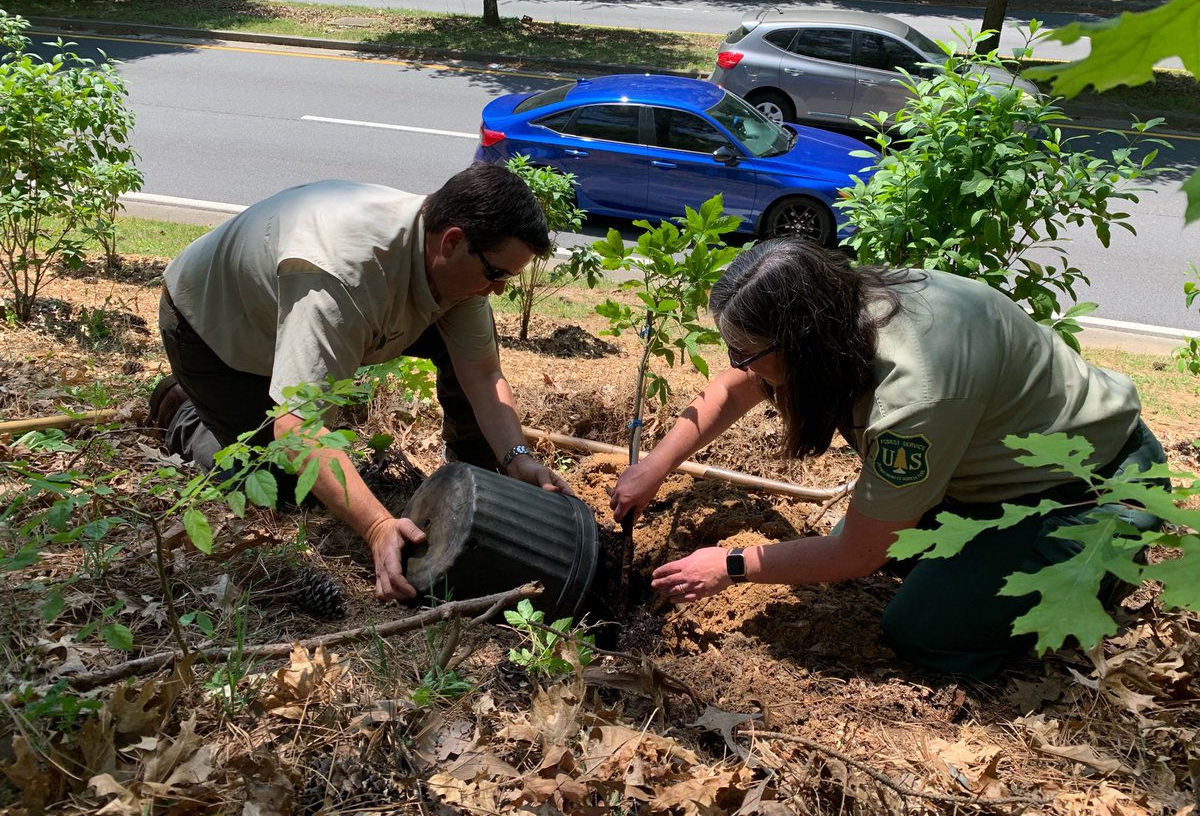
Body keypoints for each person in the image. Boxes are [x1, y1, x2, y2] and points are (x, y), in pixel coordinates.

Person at [609, 237, 1164, 678]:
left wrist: (730, 565)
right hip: (990, 470)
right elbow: (734, 389)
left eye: (746, 351)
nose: (737, 364)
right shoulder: (843, 303)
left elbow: (858, 555)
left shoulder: (914, 393)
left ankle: (1099, 572)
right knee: (868, 544)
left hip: (1089, 491)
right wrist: (653, 467)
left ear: (800, 341)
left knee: (921, 628)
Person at [150, 163, 573, 602]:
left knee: (455, 343)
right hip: (215, 331)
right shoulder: (342, 275)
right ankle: (182, 406)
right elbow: (297, 430)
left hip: (308, 310)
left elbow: (483, 373)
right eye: (497, 274)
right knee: (279, 487)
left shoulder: (455, 268)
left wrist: (516, 456)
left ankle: (475, 472)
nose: (498, 290)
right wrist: (375, 525)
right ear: (452, 242)